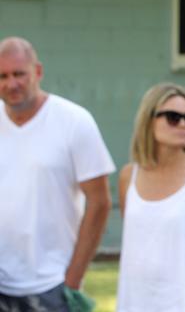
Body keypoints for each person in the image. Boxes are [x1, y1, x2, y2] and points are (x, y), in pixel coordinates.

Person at [0, 37, 115, 311]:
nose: (11, 83)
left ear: (37, 72)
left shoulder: (74, 121)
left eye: (19, 74)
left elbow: (99, 203)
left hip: (53, 285)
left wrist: (72, 279)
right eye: (2, 76)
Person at [116, 83, 185, 311]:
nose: (183, 124)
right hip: (134, 302)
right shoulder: (129, 176)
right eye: (173, 117)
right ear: (149, 120)